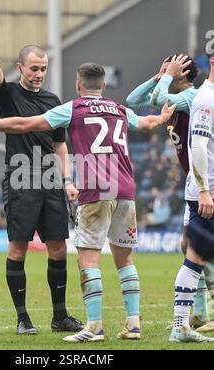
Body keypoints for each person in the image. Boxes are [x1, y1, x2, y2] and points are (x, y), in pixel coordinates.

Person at [0, 62, 176, 342]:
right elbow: (147, 123)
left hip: (96, 190)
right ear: (104, 86)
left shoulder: (73, 108)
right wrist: (163, 116)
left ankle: (94, 327)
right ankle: (133, 325)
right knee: (125, 260)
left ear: (78, 85)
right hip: (125, 190)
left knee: (88, 260)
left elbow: (24, 124)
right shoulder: (119, 109)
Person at [0, 22, 83, 335]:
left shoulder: (52, 100)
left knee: (58, 249)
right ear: (21, 67)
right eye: (34, 68)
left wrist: (68, 180)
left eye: (43, 68)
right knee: (18, 249)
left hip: (51, 183)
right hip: (20, 179)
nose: (39, 74)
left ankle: (60, 317)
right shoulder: (9, 94)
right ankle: (23, 319)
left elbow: (60, 143)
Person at [127, 54, 214, 332]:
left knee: (196, 248)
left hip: (205, 182)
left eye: (171, 68)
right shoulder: (170, 94)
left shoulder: (191, 97)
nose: (165, 72)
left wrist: (166, 77)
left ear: (182, 74)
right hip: (195, 180)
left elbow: (158, 98)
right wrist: (159, 76)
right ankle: (200, 313)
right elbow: (133, 101)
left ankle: (201, 311)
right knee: (189, 247)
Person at [169, 53, 214, 342]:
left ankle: (182, 326)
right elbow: (197, 146)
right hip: (207, 192)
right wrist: (204, 190)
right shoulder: (206, 100)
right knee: (195, 256)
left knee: (197, 256)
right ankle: (180, 326)